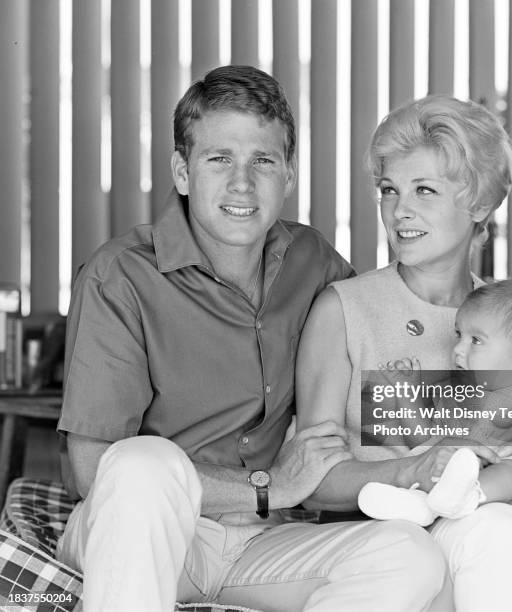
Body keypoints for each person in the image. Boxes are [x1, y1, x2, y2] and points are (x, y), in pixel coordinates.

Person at [55, 66, 451, 612]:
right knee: (141, 463)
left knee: (409, 554)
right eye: (220, 159)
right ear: (183, 171)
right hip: (149, 533)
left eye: (263, 160)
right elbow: (92, 470)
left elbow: (384, 370)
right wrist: (271, 486)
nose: (242, 183)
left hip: (263, 543)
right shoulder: (120, 275)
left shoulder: (315, 265)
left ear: (288, 175)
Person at [296, 95, 512, 612]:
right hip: (399, 537)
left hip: (503, 509)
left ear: (480, 205)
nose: (400, 210)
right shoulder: (343, 311)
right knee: (498, 529)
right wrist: (416, 468)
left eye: (425, 190)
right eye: (388, 190)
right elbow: (312, 482)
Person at [358, 279, 512, 532]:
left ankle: (451, 501)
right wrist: (406, 395)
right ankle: (422, 506)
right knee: (443, 462)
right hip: (476, 508)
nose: (458, 348)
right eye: (459, 335)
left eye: (475, 340)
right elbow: (424, 441)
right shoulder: (457, 395)